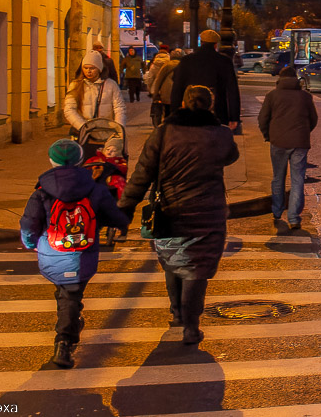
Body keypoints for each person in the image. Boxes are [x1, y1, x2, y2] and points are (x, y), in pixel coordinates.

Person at [120, 85, 240, 346]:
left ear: (183, 104)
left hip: (170, 210)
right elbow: (231, 156)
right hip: (208, 212)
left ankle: (177, 313)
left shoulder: (164, 132)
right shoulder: (220, 134)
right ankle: (191, 325)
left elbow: (143, 173)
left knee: (172, 261)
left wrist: (125, 207)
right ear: (210, 105)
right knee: (197, 268)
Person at [19, 138, 130, 369]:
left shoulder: (42, 190)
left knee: (66, 294)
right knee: (71, 295)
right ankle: (64, 341)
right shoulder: (95, 189)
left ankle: (70, 324)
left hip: (52, 252)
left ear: (51, 161)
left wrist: (31, 243)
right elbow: (116, 218)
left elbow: (29, 224)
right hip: (83, 254)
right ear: (81, 160)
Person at [258, 64, 319, 231]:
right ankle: (293, 217)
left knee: (278, 178)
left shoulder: (272, 96)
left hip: (278, 141)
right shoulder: (305, 97)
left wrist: (268, 135)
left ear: (280, 79)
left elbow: (263, 118)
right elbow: (313, 119)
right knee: (297, 179)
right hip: (299, 142)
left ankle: (277, 211)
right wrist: (303, 132)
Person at [171, 30, 242, 132]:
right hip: (217, 111)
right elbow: (232, 90)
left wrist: (174, 113)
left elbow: (177, 88)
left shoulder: (187, 60)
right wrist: (234, 117)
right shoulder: (224, 61)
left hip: (190, 110)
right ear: (216, 44)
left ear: (202, 42)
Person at [63, 50, 127, 138]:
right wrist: (83, 126)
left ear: (99, 69)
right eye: (85, 68)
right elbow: (69, 109)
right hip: (84, 133)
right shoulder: (75, 85)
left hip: (107, 132)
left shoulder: (111, 85)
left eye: (92, 68)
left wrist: (119, 128)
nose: (88, 71)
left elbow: (119, 108)